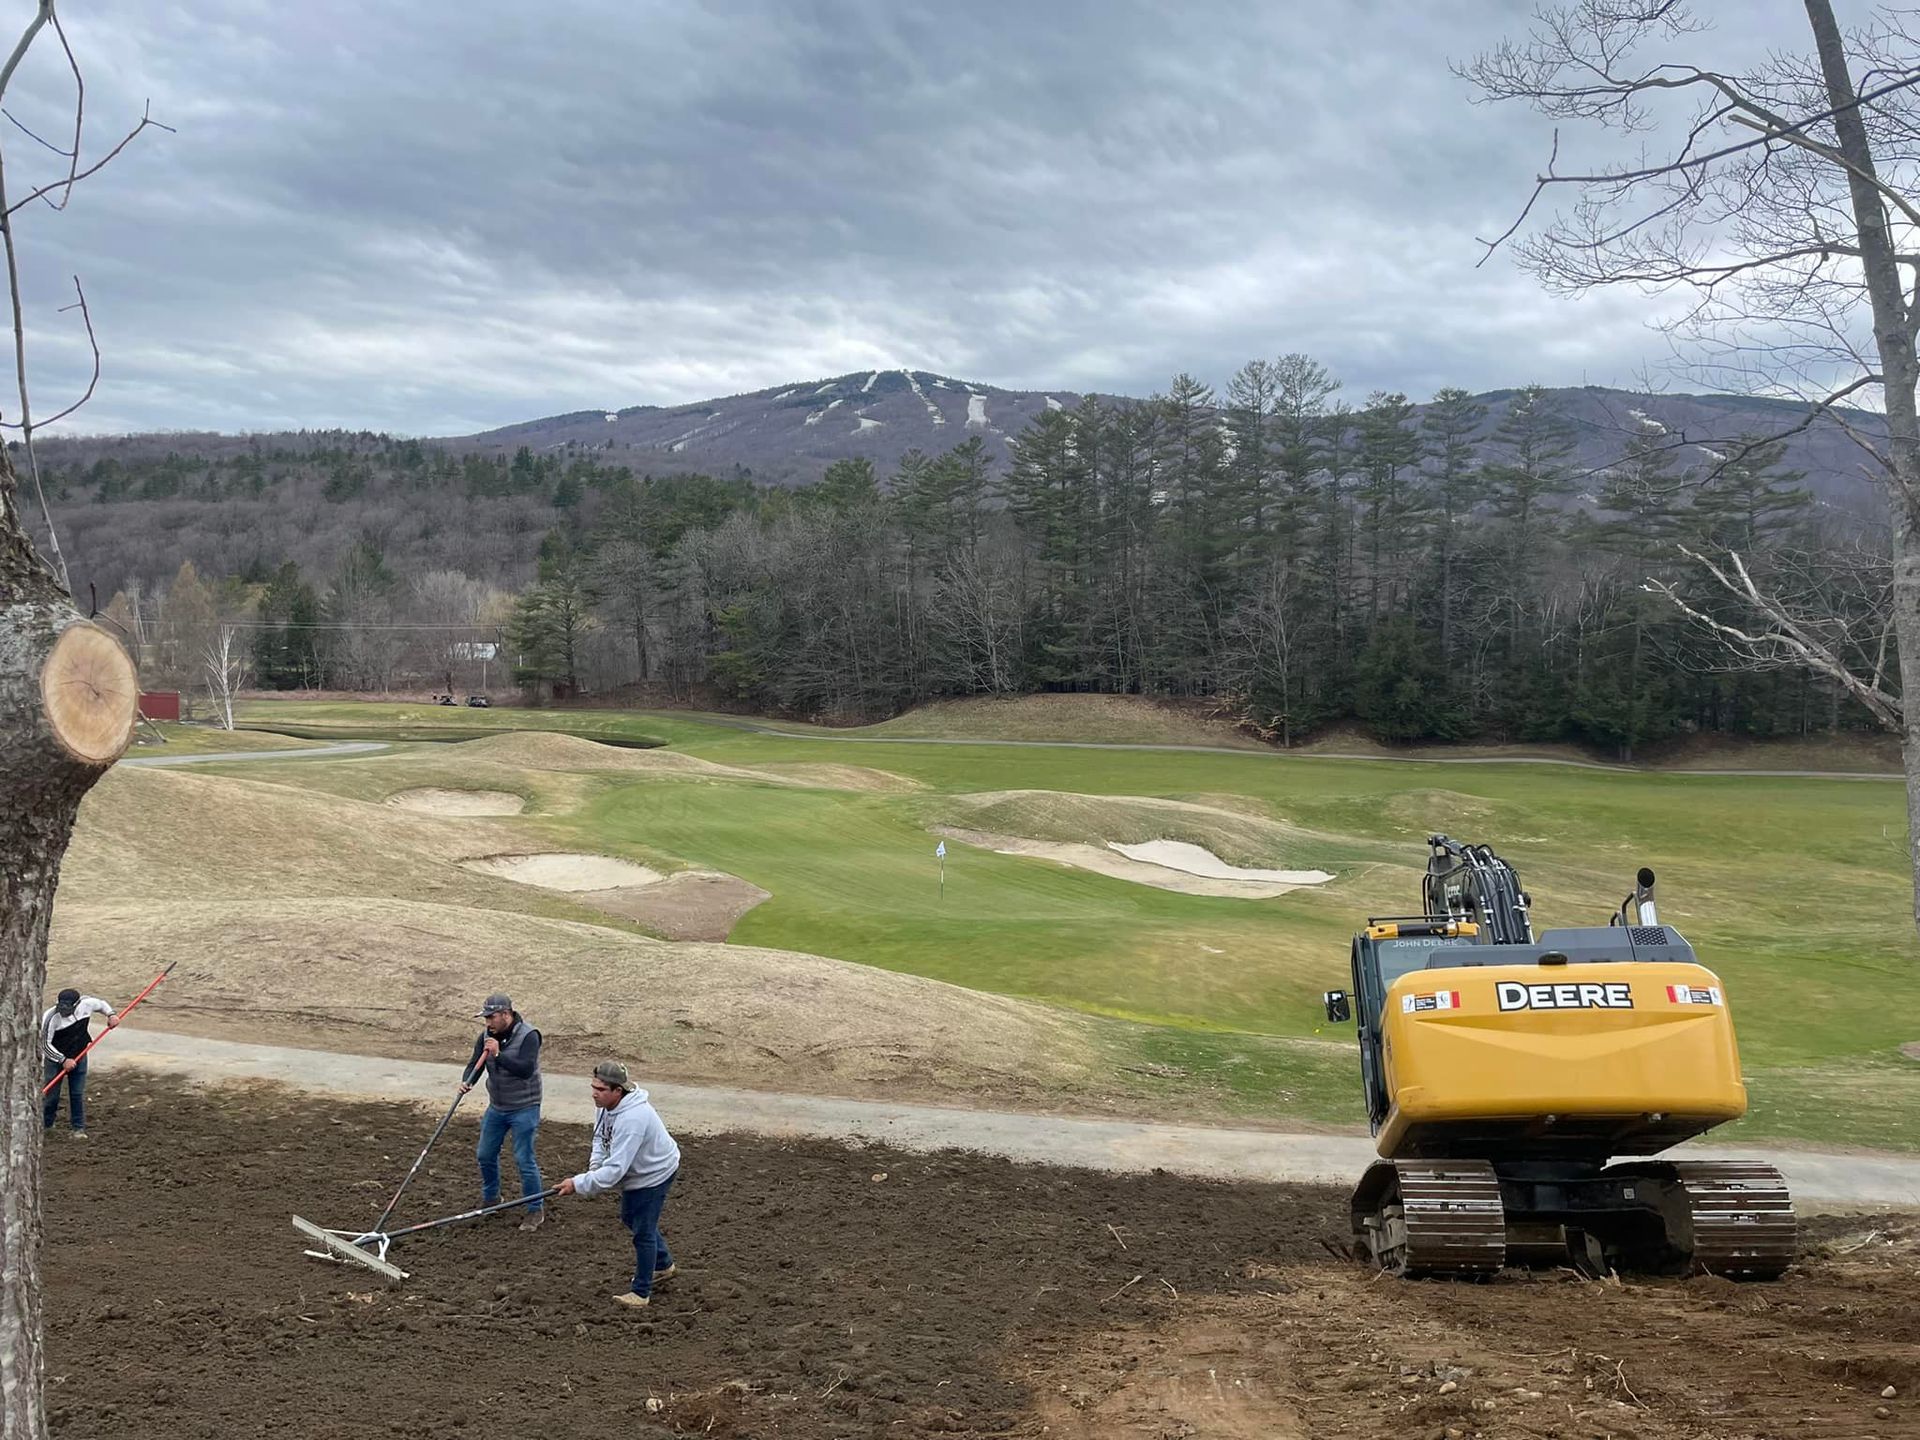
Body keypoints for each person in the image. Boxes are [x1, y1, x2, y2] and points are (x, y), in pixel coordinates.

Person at [554, 1061, 681, 1309]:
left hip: (655, 1172)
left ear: (617, 1091)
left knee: (643, 1230)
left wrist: (578, 1184)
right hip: (637, 1173)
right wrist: (593, 1170)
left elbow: (614, 1171)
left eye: (600, 1089)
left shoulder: (633, 1119)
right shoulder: (604, 1107)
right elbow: (601, 1139)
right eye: (593, 1087)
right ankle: (664, 1264)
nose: (594, 1093)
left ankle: (641, 1293)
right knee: (630, 1218)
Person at [461, 992, 545, 1231]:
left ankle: (534, 1209)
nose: (487, 1023)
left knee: (523, 1159)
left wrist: (499, 1054)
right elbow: (474, 1063)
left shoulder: (529, 1036)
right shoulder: (487, 1036)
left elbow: (525, 1069)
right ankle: (492, 1199)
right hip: (497, 1107)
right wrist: (468, 1080)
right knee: (484, 1154)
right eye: (485, 1018)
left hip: (525, 1108)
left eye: (491, 1017)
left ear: (506, 1015)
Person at [41, 987, 116, 1139]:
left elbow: (101, 1004)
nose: (63, 1010)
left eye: (67, 1008)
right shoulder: (50, 1017)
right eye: (61, 1006)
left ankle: (78, 1129)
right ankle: (47, 1125)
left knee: (77, 1093)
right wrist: (62, 1059)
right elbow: (45, 1045)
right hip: (55, 1060)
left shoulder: (87, 1004)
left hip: (79, 1055)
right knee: (52, 1095)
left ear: (76, 1005)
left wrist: (111, 1015)